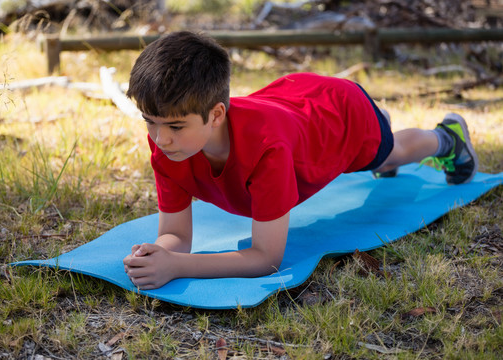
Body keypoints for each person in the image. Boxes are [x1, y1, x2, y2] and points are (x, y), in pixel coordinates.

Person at [122, 31, 478, 289]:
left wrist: (178, 266)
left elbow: (266, 257)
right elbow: (175, 234)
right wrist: (157, 253)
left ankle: (447, 136)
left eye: (174, 126)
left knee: (387, 157)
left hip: (341, 114)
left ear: (215, 115)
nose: (159, 138)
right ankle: (380, 120)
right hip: (294, 101)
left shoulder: (266, 151)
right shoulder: (168, 143)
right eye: (149, 122)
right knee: (379, 150)